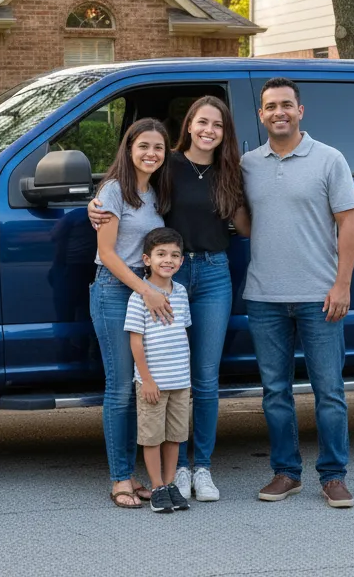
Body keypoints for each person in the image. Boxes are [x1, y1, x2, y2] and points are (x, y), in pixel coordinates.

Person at [88, 95, 249, 502]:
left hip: (202, 275)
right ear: (189, 125)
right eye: (202, 121)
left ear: (225, 132)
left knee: (200, 378)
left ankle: (200, 469)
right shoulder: (166, 168)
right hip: (152, 285)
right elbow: (114, 214)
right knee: (131, 384)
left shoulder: (230, 172)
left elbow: (246, 226)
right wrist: (91, 204)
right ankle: (138, 475)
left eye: (218, 124)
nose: (209, 129)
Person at [244, 77, 354, 508]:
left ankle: (333, 476)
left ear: (300, 110)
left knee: (328, 390)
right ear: (261, 114)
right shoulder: (248, 164)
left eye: (286, 105)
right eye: (271, 106)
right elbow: (242, 220)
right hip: (263, 296)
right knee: (275, 392)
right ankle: (285, 473)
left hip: (320, 296)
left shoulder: (330, 160)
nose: (279, 112)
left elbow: (348, 223)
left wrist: (342, 283)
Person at [90, 117, 174, 509]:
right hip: (114, 292)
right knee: (121, 388)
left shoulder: (154, 193)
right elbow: (107, 253)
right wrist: (147, 290)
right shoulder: (112, 192)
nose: (151, 154)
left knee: (141, 387)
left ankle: (133, 474)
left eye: (158, 148)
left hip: (142, 295)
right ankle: (120, 478)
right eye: (143, 146)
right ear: (129, 148)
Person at [125, 227, 195, 513]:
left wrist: (187, 376)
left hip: (180, 381)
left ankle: (169, 484)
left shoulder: (180, 293)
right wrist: (147, 380)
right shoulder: (139, 296)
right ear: (146, 259)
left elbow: (183, 334)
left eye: (175, 255)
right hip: (152, 382)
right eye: (161, 254)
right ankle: (156, 487)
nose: (169, 260)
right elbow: (135, 341)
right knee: (152, 436)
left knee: (175, 435)